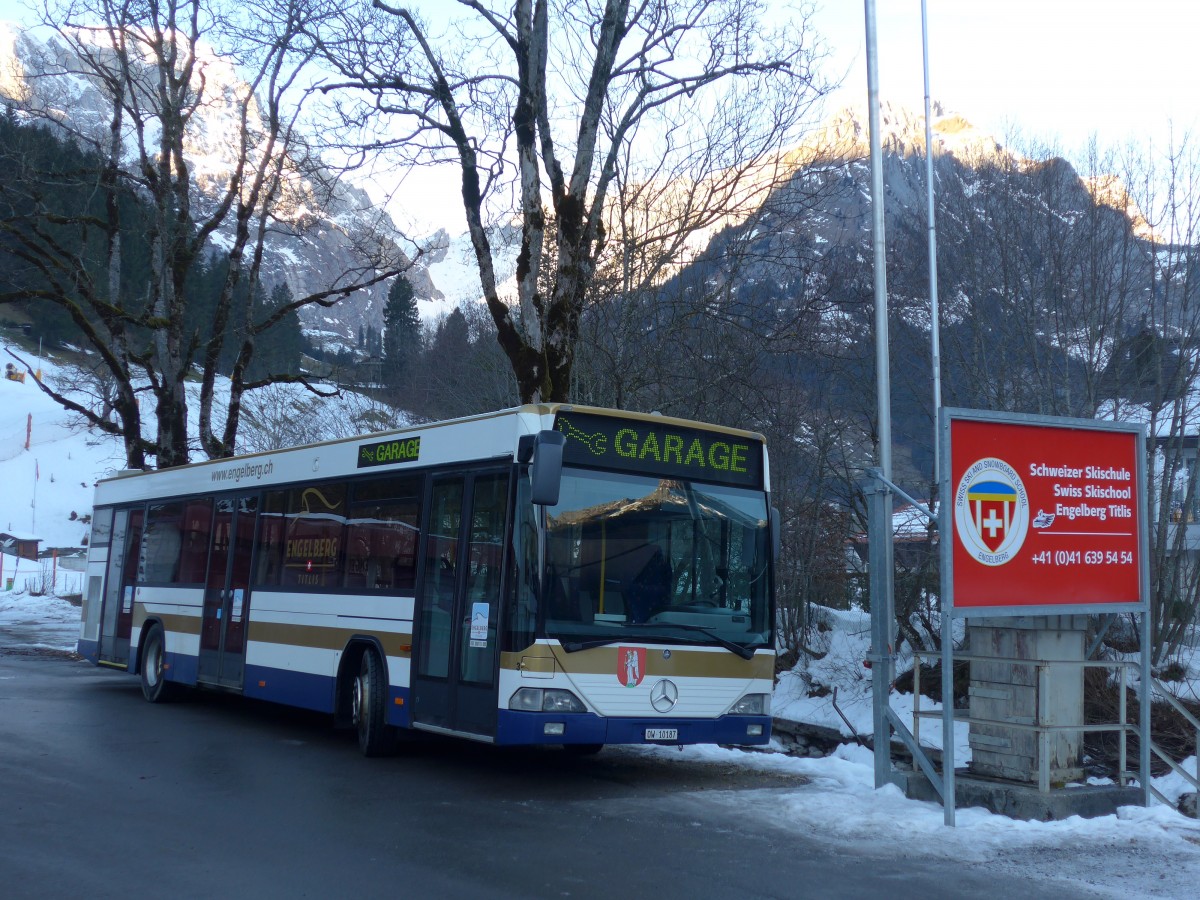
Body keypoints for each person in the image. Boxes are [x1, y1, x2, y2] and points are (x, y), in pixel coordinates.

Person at [627, 547, 671, 623]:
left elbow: (667, 590)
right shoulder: (637, 566)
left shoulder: (664, 567)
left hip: (655, 608)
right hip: (642, 606)